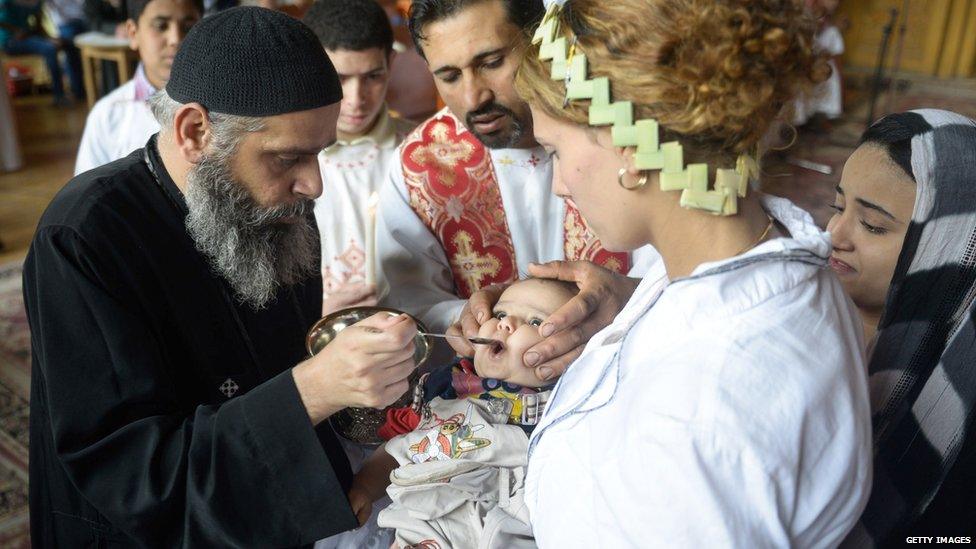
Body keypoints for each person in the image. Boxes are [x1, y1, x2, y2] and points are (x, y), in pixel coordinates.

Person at [24, 7, 418, 546]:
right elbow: (132, 476)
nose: (315, 185)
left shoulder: (284, 207)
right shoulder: (84, 238)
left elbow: (279, 365)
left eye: (321, 153)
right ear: (194, 131)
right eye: (288, 157)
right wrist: (315, 387)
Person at [509, 0, 872, 545]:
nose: (559, 184)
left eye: (554, 150)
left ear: (629, 145)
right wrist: (635, 305)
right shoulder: (749, 261)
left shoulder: (705, 410)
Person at [377, 0, 663, 373]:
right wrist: (473, 321)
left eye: (492, 63)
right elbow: (409, 302)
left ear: (539, 42)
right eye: (449, 76)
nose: (473, 97)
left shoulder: (616, 128)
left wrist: (628, 297)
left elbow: (682, 262)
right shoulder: (420, 166)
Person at [825, 110, 976, 545]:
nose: (835, 233)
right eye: (838, 207)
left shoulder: (959, 388)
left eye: (872, 225)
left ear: (946, 244)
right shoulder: (800, 318)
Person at [349, 278, 576, 548]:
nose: (505, 324)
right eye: (501, 314)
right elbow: (401, 449)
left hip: (506, 526)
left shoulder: (563, 405)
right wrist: (364, 487)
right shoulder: (446, 392)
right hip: (422, 528)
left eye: (536, 322)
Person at [302, 0, 415, 316]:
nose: (356, 99)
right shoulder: (283, 163)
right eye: (339, 78)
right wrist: (314, 314)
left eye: (373, 76)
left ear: (391, 63)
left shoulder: (423, 154)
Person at [74, 0, 202, 175]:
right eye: (161, 26)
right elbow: (90, 195)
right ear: (133, 33)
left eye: (188, 27)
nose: (176, 39)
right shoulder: (107, 115)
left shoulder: (225, 111)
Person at [0, 0, 80, 105]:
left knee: (65, 43)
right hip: (9, 41)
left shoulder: (36, 3)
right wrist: (14, 30)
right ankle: (59, 96)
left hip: (28, 38)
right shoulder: (6, 2)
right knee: (49, 49)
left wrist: (49, 38)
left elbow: (38, 26)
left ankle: (78, 91)